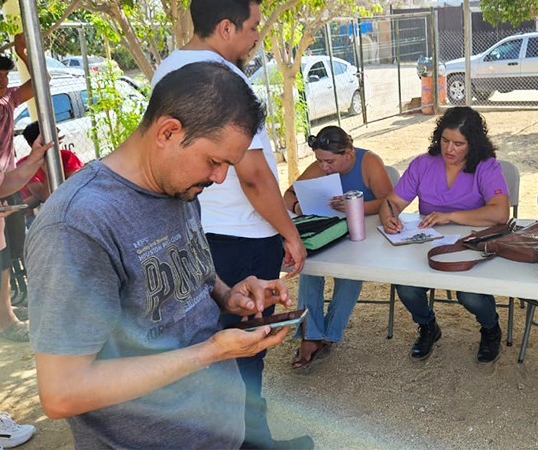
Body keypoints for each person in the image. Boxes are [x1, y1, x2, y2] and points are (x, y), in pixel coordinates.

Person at [27, 61, 291, 449]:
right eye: (215, 161)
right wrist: (209, 352)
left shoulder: (179, 187)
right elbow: (62, 392)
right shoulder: (77, 224)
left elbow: (189, 278)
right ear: (168, 132)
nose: (220, 178)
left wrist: (226, 294)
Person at [151, 1, 308, 447]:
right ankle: (253, 443)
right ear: (225, 27)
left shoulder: (170, 68)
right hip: (243, 234)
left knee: (226, 346)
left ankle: (249, 439)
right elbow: (253, 176)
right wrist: (290, 233)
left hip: (203, 231)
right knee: (248, 347)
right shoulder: (224, 80)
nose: (257, 36)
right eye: (253, 27)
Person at [379, 107, 509, 363]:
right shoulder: (423, 164)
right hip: (427, 247)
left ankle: (490, 328)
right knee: (406, 286)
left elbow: (500, 213)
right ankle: (428, 325)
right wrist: (389, 218)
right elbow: (391, 202)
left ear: (473, 144)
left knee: (469, 295)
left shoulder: (486, 166)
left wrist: (449, 216)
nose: (449, 149)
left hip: (471, 247)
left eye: (459, 144)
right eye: (445, 140)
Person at [283, 126, 392, 370]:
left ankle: (329, 334)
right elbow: (288, 194)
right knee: (308, 268)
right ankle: (310, 335)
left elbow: (389, 201)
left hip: (363, 235)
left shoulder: (369, 162)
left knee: (350, 276)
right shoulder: (320, 166)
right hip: (328, 232)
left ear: (349, 153)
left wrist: (356, 205)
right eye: (319, 161)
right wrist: (299, 207)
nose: (324, 167)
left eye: (330, 162)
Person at [0, 44, 35, 341]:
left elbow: (39, 83)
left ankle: (5, 310)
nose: (3, 81)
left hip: (7, 183)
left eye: (5, 75)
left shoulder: (8, 99)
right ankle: (5, 319)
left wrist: (24, 53)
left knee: (9, 250)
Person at [17, 121, 84, 206]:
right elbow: (45, 197)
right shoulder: (25, 165)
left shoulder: (67, 156)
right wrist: (49, 167)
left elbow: (77, 185)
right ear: (31, 144)